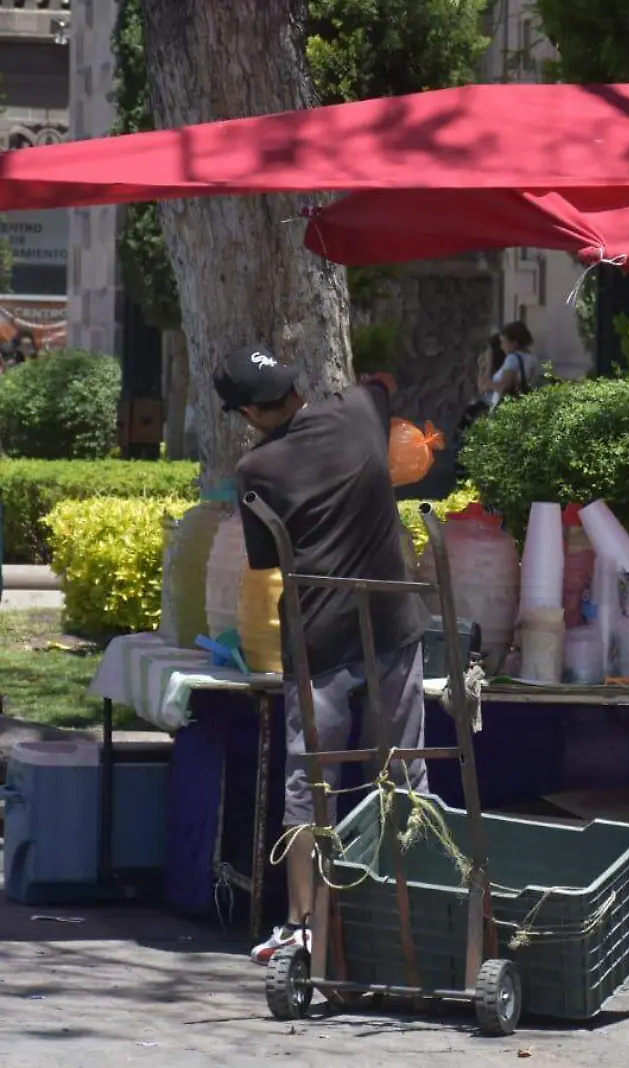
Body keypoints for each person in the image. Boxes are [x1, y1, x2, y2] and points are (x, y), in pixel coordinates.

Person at [217, 346, 431, 962]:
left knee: (311, 784)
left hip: (320, 641)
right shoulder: (361, 409)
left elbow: (265, 561)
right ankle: (411, 911)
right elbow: (386, 377)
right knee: (405, 773)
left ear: (253, 412)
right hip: (392, 623)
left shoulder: (258, 469)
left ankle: (302, 923)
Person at [485, 321, 545, 407]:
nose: (501, 346)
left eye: (503, 342)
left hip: (506, 408)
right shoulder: (533, 358)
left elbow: (504, 387)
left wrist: (488, 383)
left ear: (514, 343)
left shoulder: (512, 359)